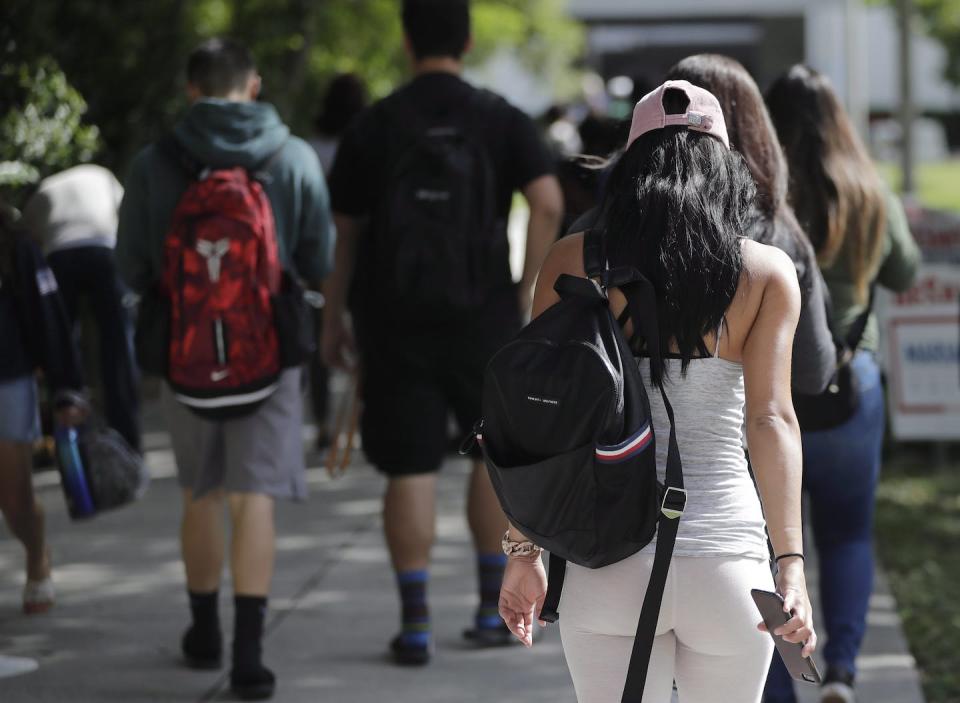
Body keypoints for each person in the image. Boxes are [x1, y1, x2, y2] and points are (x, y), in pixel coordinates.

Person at [498, 81, 816, 702]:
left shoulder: (571, 261)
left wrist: (523, 549)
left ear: (630, 169)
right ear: (725, 168)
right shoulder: (765, 274)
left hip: (607, 556)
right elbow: (772, 420)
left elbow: (539, 417)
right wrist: (791, 568)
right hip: (729, 564)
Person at [323, 0, 563, 665]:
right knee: (490, 456)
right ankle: (492, 608)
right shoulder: (500, 119)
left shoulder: (375, 123)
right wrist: (524, 290)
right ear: (468, 38)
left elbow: (344, 234)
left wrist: (333, 316)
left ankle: (416, 622)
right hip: (484, 317)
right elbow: (547, 200)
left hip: (392, 320)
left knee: (409, 465)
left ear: (405, 41)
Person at [116, 38, 334, 700]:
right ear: (255, 85)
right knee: (253, 496)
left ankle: (203, 630)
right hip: (268, 355)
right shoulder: (291, 156)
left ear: (191, 89)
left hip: (186, 358)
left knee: (199, 492)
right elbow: (318, 258)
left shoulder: (155, 163)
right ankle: (248, 655)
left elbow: (130, 267)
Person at [764, 65, 920, 703]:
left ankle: (782, 685)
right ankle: (845, 674)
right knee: (849, 534)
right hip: (853, 387)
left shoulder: (762, 192)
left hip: (770, 395)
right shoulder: (867, 190)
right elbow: (906, 272)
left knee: (771, 549)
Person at [665, 54, 835, 396]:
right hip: (732, 439)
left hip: (615, 439)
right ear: (753, 127)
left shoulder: (601, 229)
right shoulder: (775, 242)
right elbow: (811, 371)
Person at [0, 204, 86, 615]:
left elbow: (46, 315)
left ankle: (37, 555)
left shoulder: (15, 244)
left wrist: (66, 388)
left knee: (14, 500)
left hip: (7, 380)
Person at [22, 164, 142, 453]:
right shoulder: (102, 175)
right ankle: (128, 442)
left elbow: (29, 241)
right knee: (118, 344)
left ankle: (70, 437)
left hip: (59, 255)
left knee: (63, 344)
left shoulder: (43, 190)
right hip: (104, 249)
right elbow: (127, 218)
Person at [307, 73, 368, 450]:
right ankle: (361, 416)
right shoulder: (367, 143)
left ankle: (324, 422)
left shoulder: (312, 148)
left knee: (321, 340)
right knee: (364, 337)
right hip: (363, 253)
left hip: (319, 253)